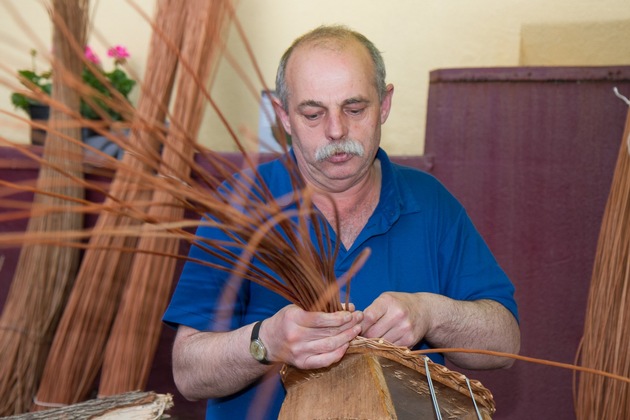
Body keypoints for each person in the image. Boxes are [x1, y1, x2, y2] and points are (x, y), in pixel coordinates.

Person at [163, 24, 520, 419]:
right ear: (284, 115)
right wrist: (268, 341)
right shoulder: (240, 204)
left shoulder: (430, 202)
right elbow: (188, 372)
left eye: (355, 108)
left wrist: (431, 313)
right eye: (313, 113)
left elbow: (504, 342)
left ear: (384, 104)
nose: (336, 130)